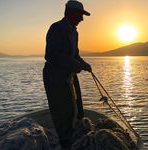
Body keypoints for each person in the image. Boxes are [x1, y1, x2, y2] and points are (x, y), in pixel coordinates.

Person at [43, 0, 92, 149]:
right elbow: (52, 55)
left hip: (68, 75)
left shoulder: (74, 32)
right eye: (80, 15)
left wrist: (84, 64)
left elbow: (75, 55)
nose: (82, 19)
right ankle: (66, 144)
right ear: (71, 13)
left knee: (76, 109)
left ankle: (71, 139)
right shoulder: (56, 28)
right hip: (54, 77)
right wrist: (75, 65)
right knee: (62, 112)